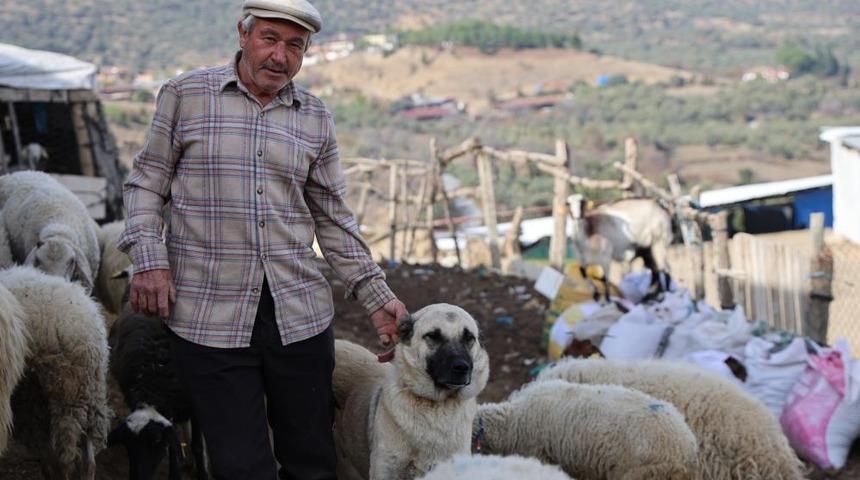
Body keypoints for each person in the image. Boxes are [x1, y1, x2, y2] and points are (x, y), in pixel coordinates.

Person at [117, 1, 407, 478]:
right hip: (210, 317)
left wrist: (378, 298)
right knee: (240, 466)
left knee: (311, 460)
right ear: (243, 33)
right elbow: (146, 185)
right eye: (269, 38)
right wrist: (150, 260)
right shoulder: (185, 95)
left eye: (295, 46)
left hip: (299, 317)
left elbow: (333, 220)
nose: (280, 56)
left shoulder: (315, 117)